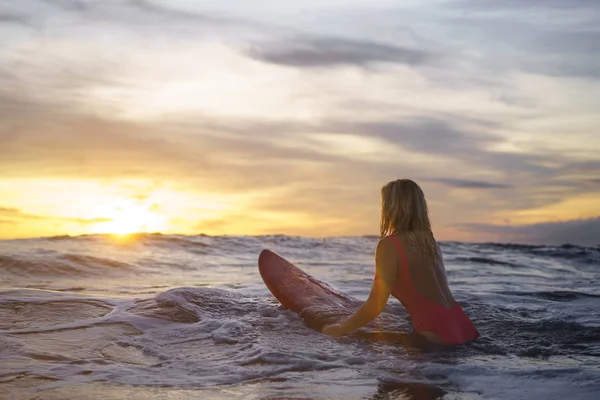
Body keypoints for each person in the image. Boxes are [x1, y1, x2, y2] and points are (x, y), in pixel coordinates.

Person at [321, 179, 479, 345]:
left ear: (392, 207)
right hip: (463, 325)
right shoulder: (429, 241)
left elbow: (375, 304)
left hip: (434, 333)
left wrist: (339, 329)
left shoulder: (390, 245)